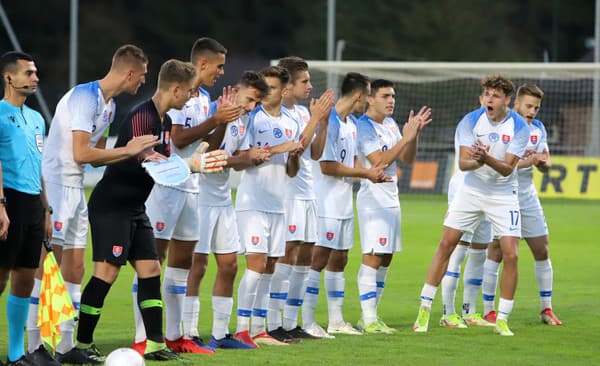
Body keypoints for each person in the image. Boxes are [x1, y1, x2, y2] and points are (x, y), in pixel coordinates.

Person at [25, 45, 158, 364]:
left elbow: (97, 160)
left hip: (77, 190)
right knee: (47, 268)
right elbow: (82, 153)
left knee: (76, 268)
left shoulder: (109, 107)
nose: (142, 82)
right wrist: (128, 149)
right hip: (56, 186)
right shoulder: (83, 97)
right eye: (142, 76)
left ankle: (69, 346)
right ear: (129, 73)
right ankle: (33, 347)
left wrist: (137, 153)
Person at [69, 59, 207, 364]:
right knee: (106, 274)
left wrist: (191, 167)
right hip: (112, 206)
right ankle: (82, 343)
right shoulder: (141, 117)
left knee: (151, 270)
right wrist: (190, 165)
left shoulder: (166, 122)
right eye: (189, 92)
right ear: (175, 88)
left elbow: (167, 169)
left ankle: (156, 345)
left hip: (134, 207)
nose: (191, 97)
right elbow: (151, 163)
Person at [135, 37, 240, 355]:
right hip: (166, 187)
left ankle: (175, 335)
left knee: (182, 261)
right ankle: (143, 335)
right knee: (153, 260)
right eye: (219, 66)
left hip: (192, 186)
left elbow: (208, 143)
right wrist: (214, 119)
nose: (222, 72)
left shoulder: (205, 97)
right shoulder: (182, 94)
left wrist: (223, 120)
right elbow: (178, 139)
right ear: (203, 64)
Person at [412, 75, 529, 336]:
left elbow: (508, 170)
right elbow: (464, 164)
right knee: (447, 244)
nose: (490, 98)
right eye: (486, 94)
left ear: (507, 100)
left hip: (503, 194)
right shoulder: (470, 121)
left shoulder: (519, 127)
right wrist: (479, 160)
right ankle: (425, 309)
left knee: (511, 253)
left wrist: (485, 157)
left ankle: (502, 319)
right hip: (471, 190)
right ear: (480, 98)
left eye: (496, 95)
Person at [303, 72, 390, 337]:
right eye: (367, 96)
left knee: (339, 259)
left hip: (343, 203)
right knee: (317, 260)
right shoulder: (328, 121)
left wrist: (370, 173)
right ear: (358, 96)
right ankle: (307, 321)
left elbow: (351, 161)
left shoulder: (351, 123)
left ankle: (336, 321)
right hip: (325, 201)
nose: (367, 101)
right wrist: (366, 174)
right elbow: (328, 166)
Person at [190, 70, 272, 350]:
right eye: (250, 99)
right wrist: (223, 123)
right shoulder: (212, 110)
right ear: (236, 91)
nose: (251, 107)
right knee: (197, 266)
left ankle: (221, 334)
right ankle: (188, 333)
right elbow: (206, 155)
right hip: (200, 195)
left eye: (256, 103)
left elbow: (236, 160)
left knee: (229, 265)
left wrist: (250, 159)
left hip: (223, 197)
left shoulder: (246, 119)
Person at [234, 65, 305, 346]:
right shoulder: (252, 118)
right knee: (255, 265)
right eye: (263, 88)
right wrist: (280, 148)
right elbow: (241, 155)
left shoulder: (292, 121)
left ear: (284, 91)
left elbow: (291, 171)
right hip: (253, 201)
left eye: (272, 89)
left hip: (278, 203)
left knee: (270, 266)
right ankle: (241, 328)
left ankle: (259, 329)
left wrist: (295, 154)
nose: (265, 93)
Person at [482, 84, 562, 326]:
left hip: (527, 196)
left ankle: (546, 308)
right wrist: (530, 161)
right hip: (503, 195)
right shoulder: (503, 127)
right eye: (528, 106)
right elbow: (502, 165)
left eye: (536, 107)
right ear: (516, 104)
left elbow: (546, 161)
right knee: (496, 250)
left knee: (542, 249)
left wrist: (543, 164)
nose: (532, 111)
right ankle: (488, 309)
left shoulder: (538, 129)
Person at [355, 79, 431, 333]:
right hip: (373, 199)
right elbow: (379, 161)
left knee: (386, 258)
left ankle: (372, 315)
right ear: (370, 99)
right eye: (386, 95)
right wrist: (405, 138)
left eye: (393, 96)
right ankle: (368, 319)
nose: (391, 101)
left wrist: (413, 136)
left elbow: (406, 159)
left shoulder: (390, 124)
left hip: (391, 198)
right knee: (373, 257)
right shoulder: (363, 127)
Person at [266, 56, 333, 340]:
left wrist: (324, 123)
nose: (310, 85)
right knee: (286, 255)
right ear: (288, 85)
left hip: (309, 193)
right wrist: (316, 118)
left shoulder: (305, 114)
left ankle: (293, 323)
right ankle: (272, 323)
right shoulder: (280, 113)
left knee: (304, 257)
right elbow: (296, 148)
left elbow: (314, 153)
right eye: (304, 81)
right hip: (289, 194)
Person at [0, 51, 51, 366]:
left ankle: (16, 353)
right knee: (1, 276)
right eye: (29, 73)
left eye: (35, 72)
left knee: (24, 277)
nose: (35, 78)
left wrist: (46, 209)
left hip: (33, 203)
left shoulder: (36, 119)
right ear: (9, 77)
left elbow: (39, 165)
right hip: (9, 200)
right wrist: (1, 205)